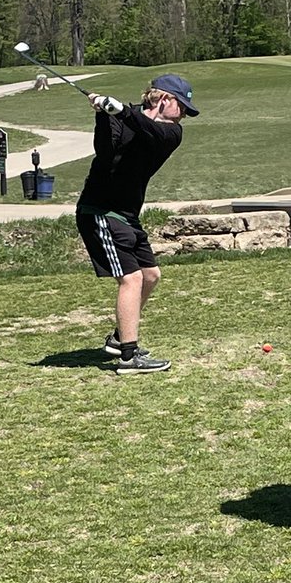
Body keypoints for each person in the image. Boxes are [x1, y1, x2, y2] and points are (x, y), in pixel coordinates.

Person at [75, 74, 199, 375]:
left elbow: (147, 130)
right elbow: (106, 152)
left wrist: (120, 111)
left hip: (127, 214)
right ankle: (129, 357)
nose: (183, 114)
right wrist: (104, 116)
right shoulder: (121, 115)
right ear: (164, 99)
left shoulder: (172, 133)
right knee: (131, 279)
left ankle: (119, 339)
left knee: (151, 275)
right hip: (100, 210)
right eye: (181, 106)